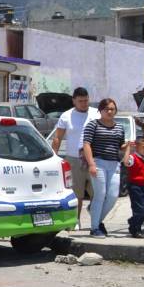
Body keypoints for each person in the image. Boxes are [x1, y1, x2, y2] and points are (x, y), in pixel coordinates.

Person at [51, 87, 100, 229]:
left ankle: (95, 218)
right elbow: (57, 138)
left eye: (86, 100)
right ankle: (75, 220)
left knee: (97, 192)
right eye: (80, 101)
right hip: (73, 159)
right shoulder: (66, 116)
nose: (84, 104)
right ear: (74, 101)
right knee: (76, 193)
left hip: (94, 158)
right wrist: (54, 157)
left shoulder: (96, 113)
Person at [82, 98, 130, 238]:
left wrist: (127, 146)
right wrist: (91, 164)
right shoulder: (93, 125)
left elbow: (120, 146)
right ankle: (94, 228)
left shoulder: (119, 127)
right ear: (100, 110)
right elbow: (86, 145)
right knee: (100, 194)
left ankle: (95, 215)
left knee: (113, 196)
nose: (109, 111)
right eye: (106, 109)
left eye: (112, 109)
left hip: (114, 164)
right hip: (98, 163)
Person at [124, 136, 144, 239]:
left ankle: (133, 223)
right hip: (135, 186)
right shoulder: (133, 157)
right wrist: (128, 148)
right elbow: (126, 162)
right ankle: (136, 229)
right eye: (143, 147)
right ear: (137, 147)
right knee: (139, 209)